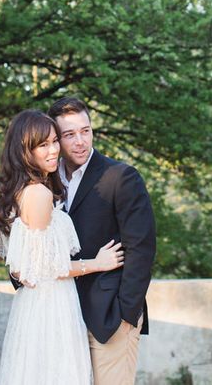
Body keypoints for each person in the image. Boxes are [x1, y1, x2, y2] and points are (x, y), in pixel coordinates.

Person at [0, 109, 124, 385]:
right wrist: (98, 263)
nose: (54, 150)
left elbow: (6, 256)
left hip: (35, 302)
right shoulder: (39, 194)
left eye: (55, 141)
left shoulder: (20, 191)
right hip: (50, 304)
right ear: (24, 151)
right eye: (43, 145)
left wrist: (22, 264)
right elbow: (46, 266)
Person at [48, 96, 157, 385]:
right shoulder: (45, 183)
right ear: (55, 140)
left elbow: (141, 249)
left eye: (85, 131)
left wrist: (126, 316)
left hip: (109, 318)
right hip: (59, 316)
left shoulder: (121, 177)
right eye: (69, 135)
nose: (80, 141)